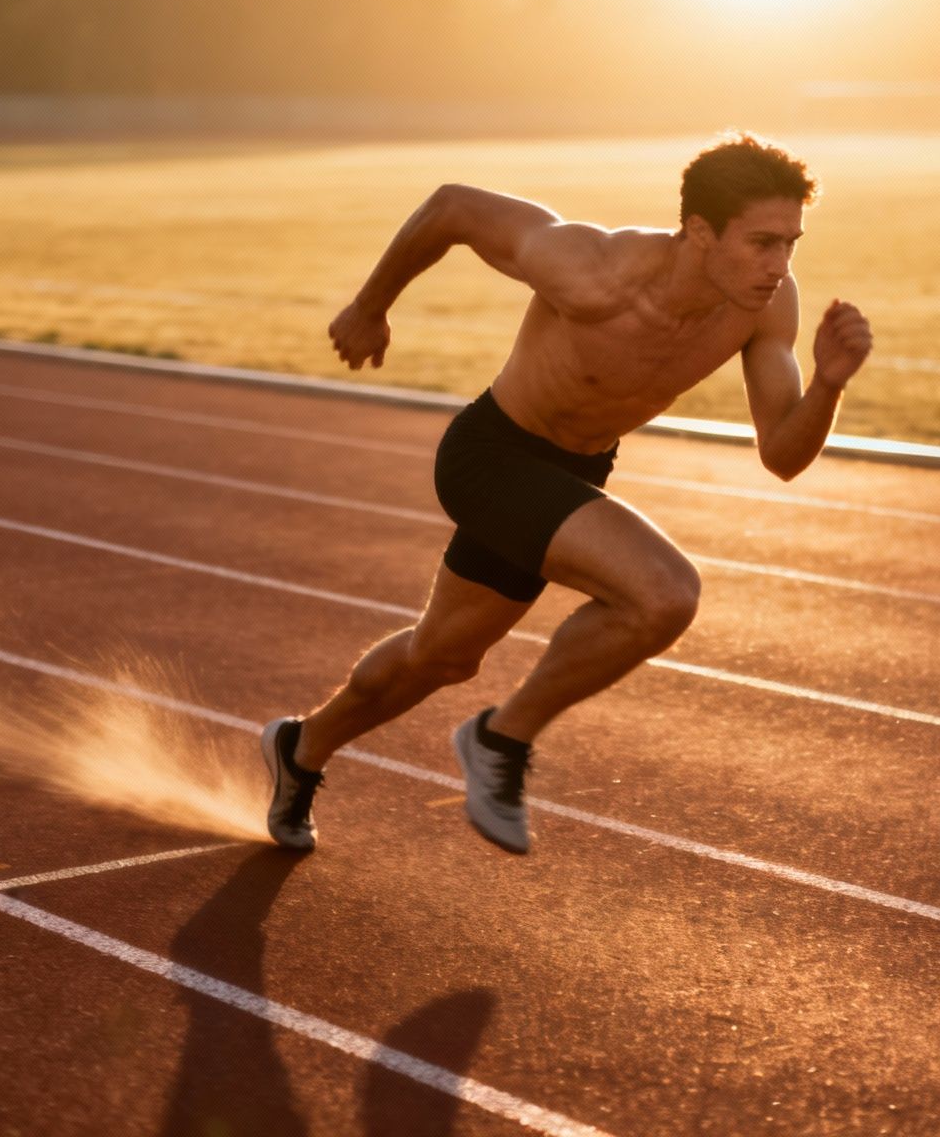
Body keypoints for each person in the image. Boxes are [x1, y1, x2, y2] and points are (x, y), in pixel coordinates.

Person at [260, 131, 871, 854]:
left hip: (573, 475)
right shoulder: (593, 270)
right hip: (491, 456)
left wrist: (828, 385)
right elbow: (454, 206)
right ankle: (500, 739)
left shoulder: (765, 306)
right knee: (664, 594)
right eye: (763, 242)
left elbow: (783, 456)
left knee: (441, 658)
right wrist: (370, 305)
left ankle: (301, 747)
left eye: (791, 244)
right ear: (700, 232)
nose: (779, 266)